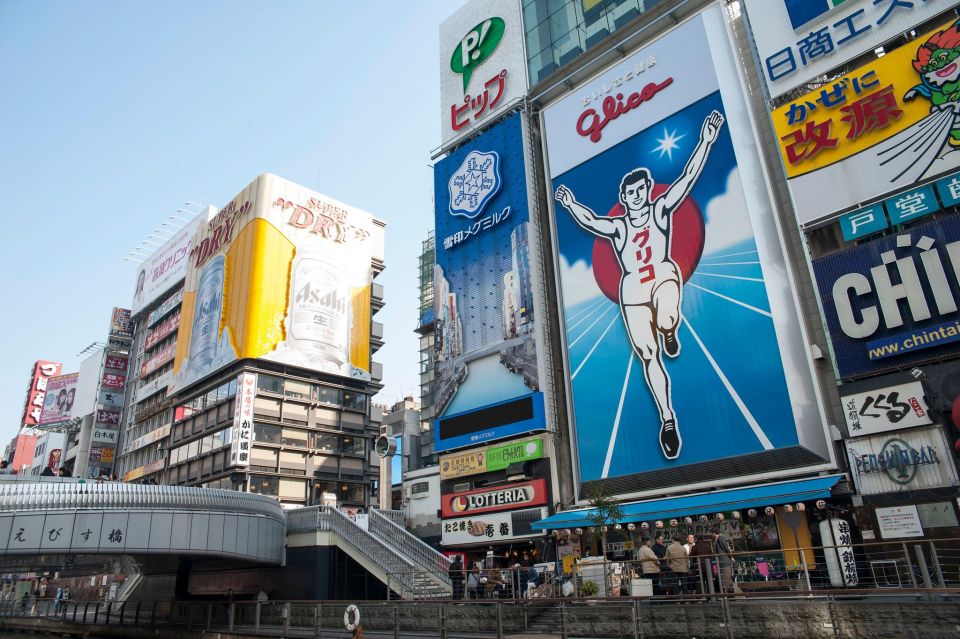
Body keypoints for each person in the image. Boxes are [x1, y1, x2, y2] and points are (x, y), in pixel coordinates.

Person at [554, 110, 725, 459]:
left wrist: (706, 141)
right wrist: (571, 205)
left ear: (647, 191)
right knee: (648, 355)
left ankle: (670, 328)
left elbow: (688, 177)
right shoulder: (618, 227)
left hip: (662, 274)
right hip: (632, 290)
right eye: (629, 192)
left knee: (664, 314)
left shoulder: (661, 209)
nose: (636, 196)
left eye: (640, 190)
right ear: (625, 196)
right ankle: (667, 418)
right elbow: (591, 220)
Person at [711, 528, 734, 593]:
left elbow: (726, 548)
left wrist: (731, 557)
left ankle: (726, 595)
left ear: (714, 533)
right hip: (723, 561)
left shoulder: (720, 538)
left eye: (711, 533)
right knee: (727, 579)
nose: (711, 535)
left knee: (725, 578)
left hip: (724, 561)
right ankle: (730, 594)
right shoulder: (718, 539)